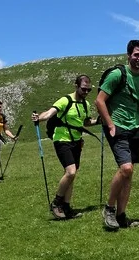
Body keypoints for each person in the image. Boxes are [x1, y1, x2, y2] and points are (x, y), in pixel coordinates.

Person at [96, 39, 139, 231]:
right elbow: (99, 101)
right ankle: (109, 209)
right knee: (126, 169)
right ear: (128, 55)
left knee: (129, 174)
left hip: (135, 128)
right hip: (117, 126)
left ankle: (121, 216)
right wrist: (110, 124)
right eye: (136, 54)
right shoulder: (117, 75)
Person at [32, 75, 97, 219]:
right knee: (71, 172)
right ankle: (56, 203)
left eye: (89, 90)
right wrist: (39, 118)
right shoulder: (65, 100)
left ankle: (67, 208)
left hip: (77, 141)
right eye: (84, 89)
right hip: (62, 140)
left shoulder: (85, 104)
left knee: (71, 175)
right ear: (76, 86)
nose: (86, 92)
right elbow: (50, 113)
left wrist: (99, 120)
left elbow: (85, 122)